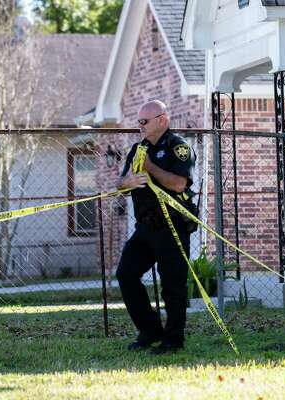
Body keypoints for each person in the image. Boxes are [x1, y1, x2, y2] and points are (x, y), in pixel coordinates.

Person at [115, 100, 196, 355]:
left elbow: (179, 184)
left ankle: (173, 341)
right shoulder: (138, 148)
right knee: (126, 274)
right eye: (138, 122)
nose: (140, 126)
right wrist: (128, 181)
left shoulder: (178, 147)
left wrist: (150, 168)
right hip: (146, 227)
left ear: (162, 120)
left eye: (144, 121)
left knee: (172, 284)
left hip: (172, 226)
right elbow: (121, 183)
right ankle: (150, 331)